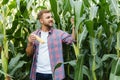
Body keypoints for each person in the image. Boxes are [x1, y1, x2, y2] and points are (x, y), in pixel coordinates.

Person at [26, 9, 75, 80]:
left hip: (55, 74)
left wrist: (74, 25)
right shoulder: (34, 35)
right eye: (48, 17)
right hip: (38, 73)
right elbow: (28, 54)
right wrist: (30, 43)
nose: (51, 19)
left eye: (51, 17)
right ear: (41, 21)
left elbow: (72, 40)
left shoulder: (59, 33)